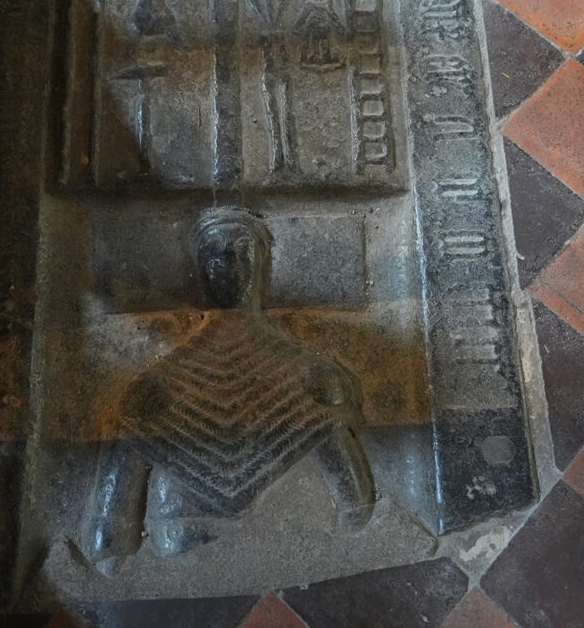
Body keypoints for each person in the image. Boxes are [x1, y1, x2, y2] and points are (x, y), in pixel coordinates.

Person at [80, 207, 375, 571]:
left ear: (260, 264)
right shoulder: (157, 387)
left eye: (240, 251)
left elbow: (354, 506)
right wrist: (110, 538)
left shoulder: (312, 377)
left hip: (288, 539)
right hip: (184, 539)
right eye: (216, 253)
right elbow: (116, 506)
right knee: (142, 405)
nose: (228, 264)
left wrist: (355, 512)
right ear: (200, 267)